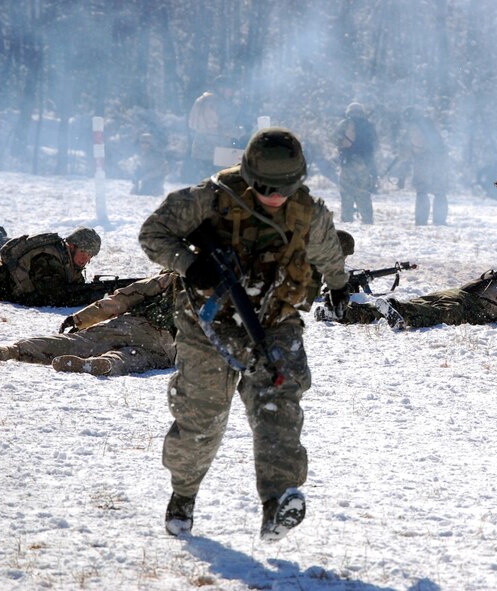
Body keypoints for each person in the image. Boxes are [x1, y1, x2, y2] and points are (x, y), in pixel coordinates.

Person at [138, 127, 348, 541]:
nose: (275, 195)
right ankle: (183, 495)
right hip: (209, 322)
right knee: (201, 414)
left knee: (279, 406)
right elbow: (153, 233)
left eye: (284, 187)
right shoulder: (211, 197)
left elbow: (328, 253)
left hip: (274, 320)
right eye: (265, 187)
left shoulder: (308, 212)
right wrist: (189, 264)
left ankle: (277, 502)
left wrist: (340, 286)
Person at [0, 272, 176, 376]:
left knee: (77, 341)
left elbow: (122, 299)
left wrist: (80, 319)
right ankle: (103, 364)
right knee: (134, 358)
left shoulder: (170, 279)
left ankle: (10, 350)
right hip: (167, 343)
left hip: (131, 324)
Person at [319, 261, 497, 329]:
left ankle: (342, 314)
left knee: (405, 306)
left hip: (453, 293)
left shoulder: (495, 277)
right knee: (432, 314)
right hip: (466, 306)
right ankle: (401, 311)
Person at [0, 226, 102, 306]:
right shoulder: (49, 258)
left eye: (90, 255)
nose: (85, 259)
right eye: (83, 252)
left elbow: (73, 289)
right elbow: (52, 297)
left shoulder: (69, 263)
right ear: (72, 247)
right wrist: (90, 296)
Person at [397, 108, 449, 225]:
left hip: (422, 162)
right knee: (440, 192)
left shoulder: (413, 127)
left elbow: (404, 152)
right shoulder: (429, 125)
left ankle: (421, 221)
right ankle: (440, 220)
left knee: (422, 191)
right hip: (439, 162)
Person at [186, 76, 242, 182]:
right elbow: (220, 127)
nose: (232, 92)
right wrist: (240, 131)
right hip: (215, 151)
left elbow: (192, 124)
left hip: (201, 149)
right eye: (230, 89)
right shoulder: (214, 103)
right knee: (217, 183)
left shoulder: (202, 100)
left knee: (204, 183)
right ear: (221, 88)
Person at [333, 102, 378, 224]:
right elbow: (375, 145)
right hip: (364, 163)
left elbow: (333, 138)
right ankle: (368, 220)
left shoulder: (345, 124)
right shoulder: (368, 125)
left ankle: (347, 220)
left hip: (347, 162)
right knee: (363, 193)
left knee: (346, 192)